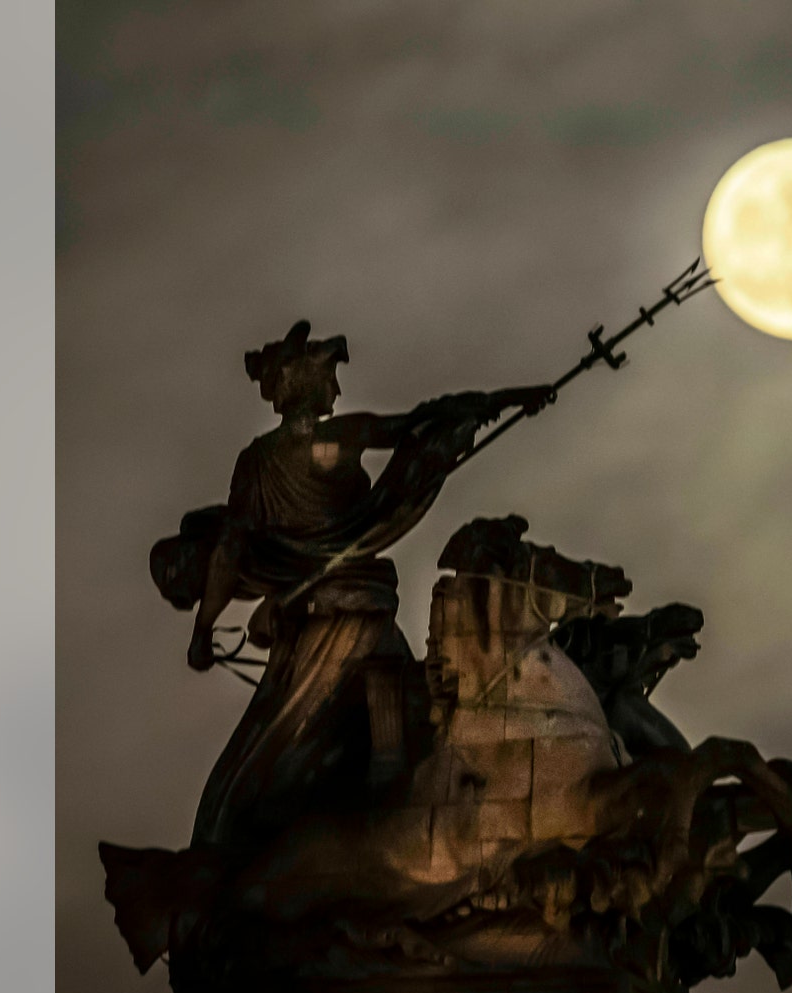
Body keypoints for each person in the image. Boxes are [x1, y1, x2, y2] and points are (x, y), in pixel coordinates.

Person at [180, 320, 553, 846]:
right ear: (305, 386)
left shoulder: (257, 463)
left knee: (280, 733)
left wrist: (204, 630)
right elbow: (420, 421)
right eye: (328, 378)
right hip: (352, 620)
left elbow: (229, 553)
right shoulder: (332, 441)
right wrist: (501, 399)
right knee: (404, 712)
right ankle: (393, 794)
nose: (335, 390)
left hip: (306, 625)